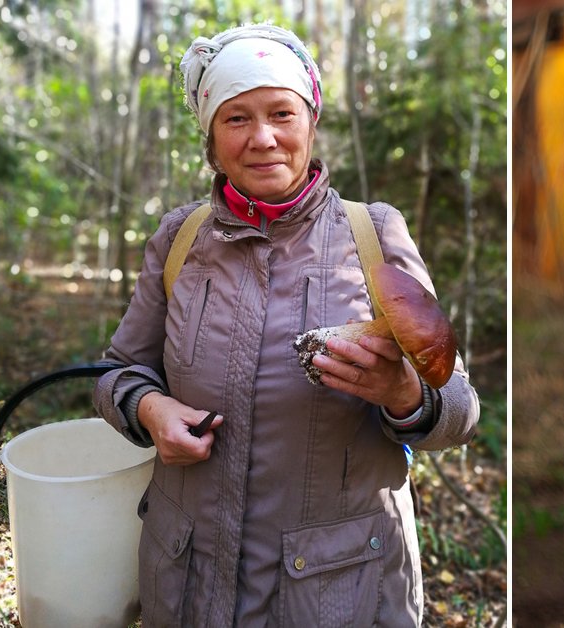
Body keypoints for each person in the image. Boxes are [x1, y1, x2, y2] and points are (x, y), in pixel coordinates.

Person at [92, 24, 479, 626]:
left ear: (311, 121)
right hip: (188, 585)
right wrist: (149, 410)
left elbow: (459, 407)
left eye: (281, 113)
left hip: (337, 593)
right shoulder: (180, 239)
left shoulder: (372, 234)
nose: (264, 137)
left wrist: (403, 395)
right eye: (237, 118)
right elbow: (118, 373)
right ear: (212, 138)